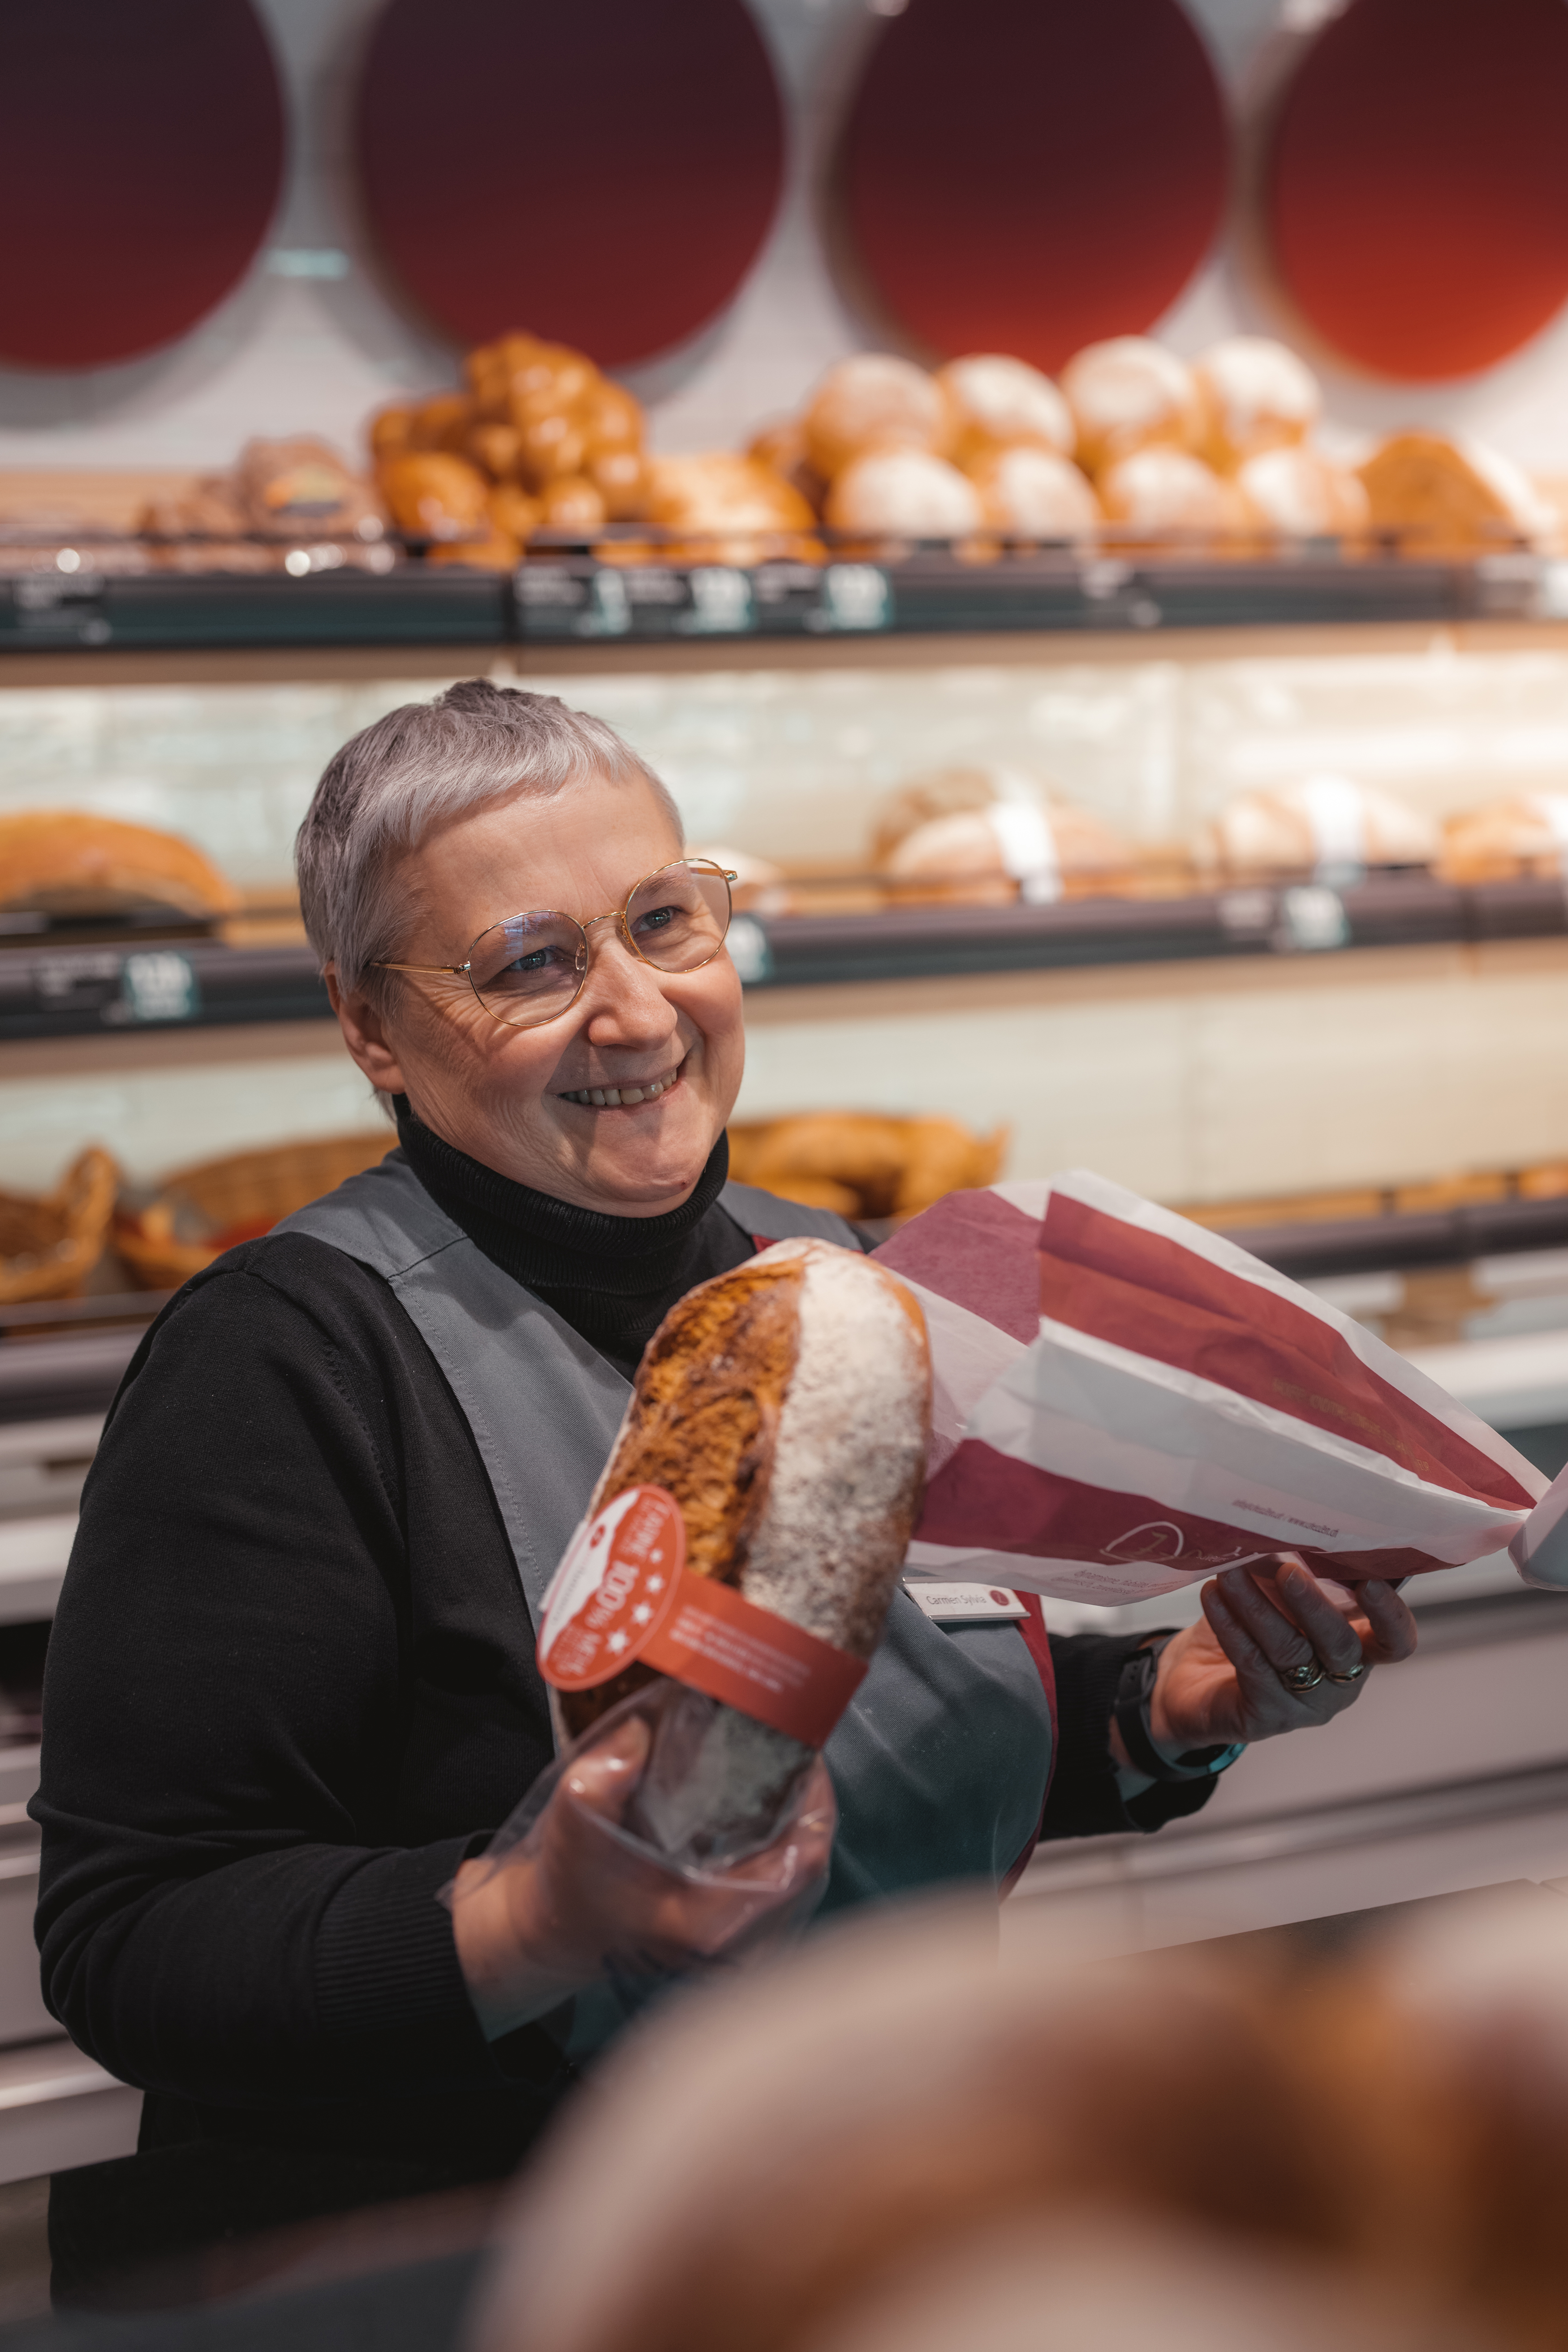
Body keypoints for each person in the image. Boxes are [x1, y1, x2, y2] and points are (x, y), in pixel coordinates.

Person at [32, 682, 1414, 2253]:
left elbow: (875, 1732)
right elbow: (133, 1937)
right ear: (371, 1027)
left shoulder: (835, 1280)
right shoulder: (286, 1360)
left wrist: (1166, 1708)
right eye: (531, 962)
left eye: (663, 921)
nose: (632, 1010)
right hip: (477, 2260)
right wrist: (526, 1916)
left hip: (860, 2208)